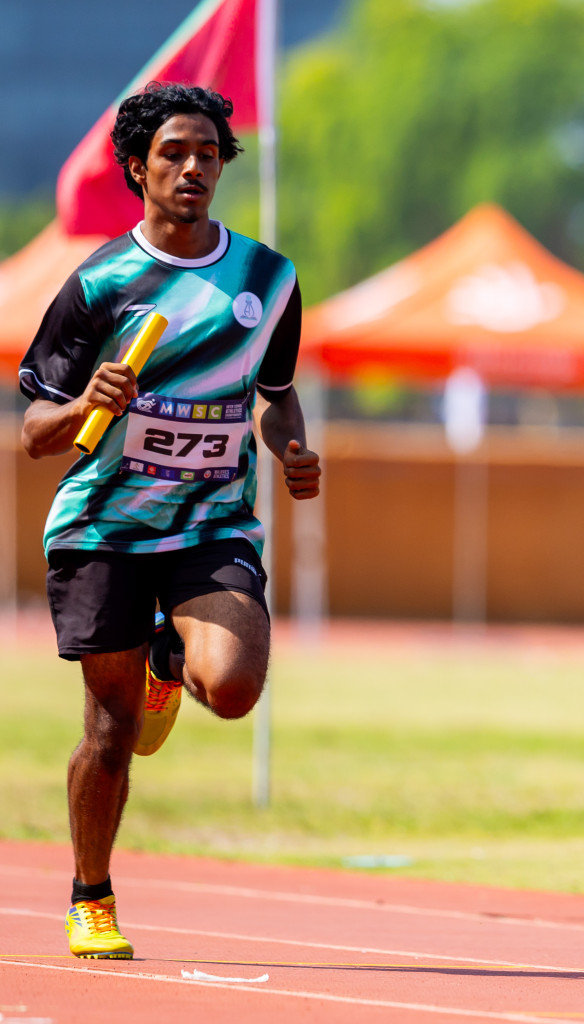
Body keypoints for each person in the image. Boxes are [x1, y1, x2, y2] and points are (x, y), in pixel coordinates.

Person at [18, 83, 320, 960]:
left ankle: (168, 658)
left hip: (211, 525)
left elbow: (275, 396)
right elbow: (35, 429)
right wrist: (87, 402)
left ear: (224, 164)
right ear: (138, 169)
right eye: (174, 154)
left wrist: (290, 448)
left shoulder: (269, 278)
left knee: (229, 687)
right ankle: (91, 894)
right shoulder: (100, 284)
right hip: (104, 529)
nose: (194, 167)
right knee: (110, 729)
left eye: (208, 154)